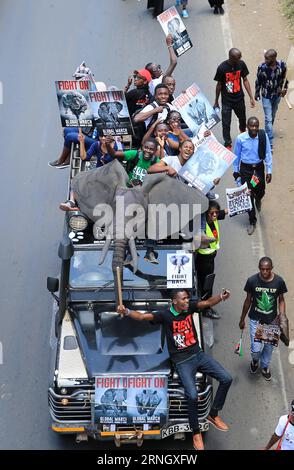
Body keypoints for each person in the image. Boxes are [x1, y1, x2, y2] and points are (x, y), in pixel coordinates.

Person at [117, 289, 232, 450]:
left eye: (187, 298)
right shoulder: (165, 315)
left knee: (227, 378)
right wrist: (127, 311)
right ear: (175, 301)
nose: (187, 301)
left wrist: (221, 296)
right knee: (192, 395)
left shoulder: (189, 308)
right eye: (184, 299)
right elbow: (142, 317)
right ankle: (196, 432)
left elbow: (207, 303)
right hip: (182, 361)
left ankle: (213, 414)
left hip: (198, 354)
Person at [239, 257, 287, 381]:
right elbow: (248, 300)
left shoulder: (279, 281)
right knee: (255, 349)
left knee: (268, 347)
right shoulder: (252, 281)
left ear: (272, 268)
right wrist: (242, 318)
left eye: (267, 269)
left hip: (271, 321)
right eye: (262, 269)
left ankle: (265, 366)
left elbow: (281, 299)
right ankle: (255, 361)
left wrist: (282, 316)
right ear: (259, 268)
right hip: (255, 319)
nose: (264, 272)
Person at [233, 116, 272, 235]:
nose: (254, 128)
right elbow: (236, 156)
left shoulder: (262, 135)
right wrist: (237, 173)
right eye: (252, 126)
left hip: (258, 169)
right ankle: (252, 221)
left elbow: (268, 153)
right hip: (246, 170)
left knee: (260, 191)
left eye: (256, 126)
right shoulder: (240, 139)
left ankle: (258, 199)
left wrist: (269, 171)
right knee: (248, 195)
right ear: (247, 127)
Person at [214, 48, 255, 150]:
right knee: (226, 123)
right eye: (238, 57)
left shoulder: (241, 64)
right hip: (227, 101)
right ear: (232, 58)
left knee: (242, 119)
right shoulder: (222, 68)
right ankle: (227, 142)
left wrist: (251, 97)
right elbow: (219, 85)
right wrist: (216, 101)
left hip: (239, 99)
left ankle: (242, 132)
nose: (240, 58)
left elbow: (245, 80)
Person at [196, 201, 228, 319]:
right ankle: (206, 309)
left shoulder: (214, 216)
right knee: (206, 284)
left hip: (211, 256)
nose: (215, 215)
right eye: (212, 213)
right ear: (206, 214)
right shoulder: (200, 226)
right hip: (204, 259)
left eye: (216, 213)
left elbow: (225, 212)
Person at [255, 49, 288, 150]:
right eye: (265, 57)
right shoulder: (262, 67)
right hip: (266, 96)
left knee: (272, 116)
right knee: (268, 119)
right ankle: (270, 142)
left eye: (267, 58)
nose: (265, 60)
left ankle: (267, 131)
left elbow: (286, 78)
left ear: (274, 58)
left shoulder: (282, 65)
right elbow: (258, 81)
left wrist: (285, 89)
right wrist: (257, 93)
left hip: (277, 95)